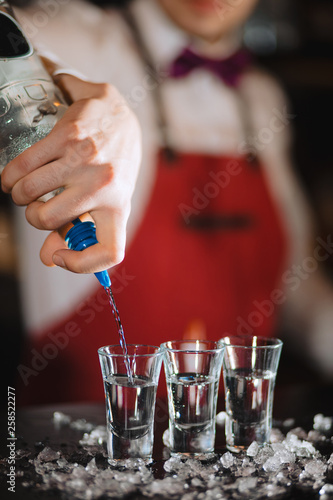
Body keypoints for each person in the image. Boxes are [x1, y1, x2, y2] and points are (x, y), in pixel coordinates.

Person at [5, 0, 333, 404]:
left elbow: (295, 285)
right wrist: (52, 82)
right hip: (78, 439)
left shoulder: (262, 96)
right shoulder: (80, 36)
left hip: (232, 447)